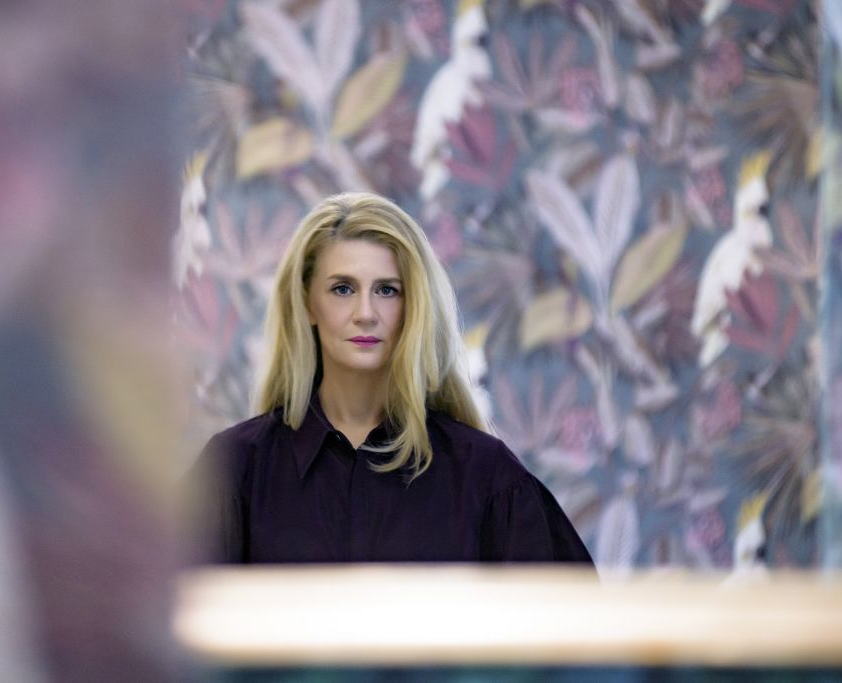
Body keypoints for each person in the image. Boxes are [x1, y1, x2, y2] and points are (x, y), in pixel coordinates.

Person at [192, 192, 593, 565]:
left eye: (386, 290)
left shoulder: (488, 478)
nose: (365, 313)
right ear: (307, 303)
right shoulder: (233, 471)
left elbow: (571, 615)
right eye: (343, 289)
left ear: (413, 304)